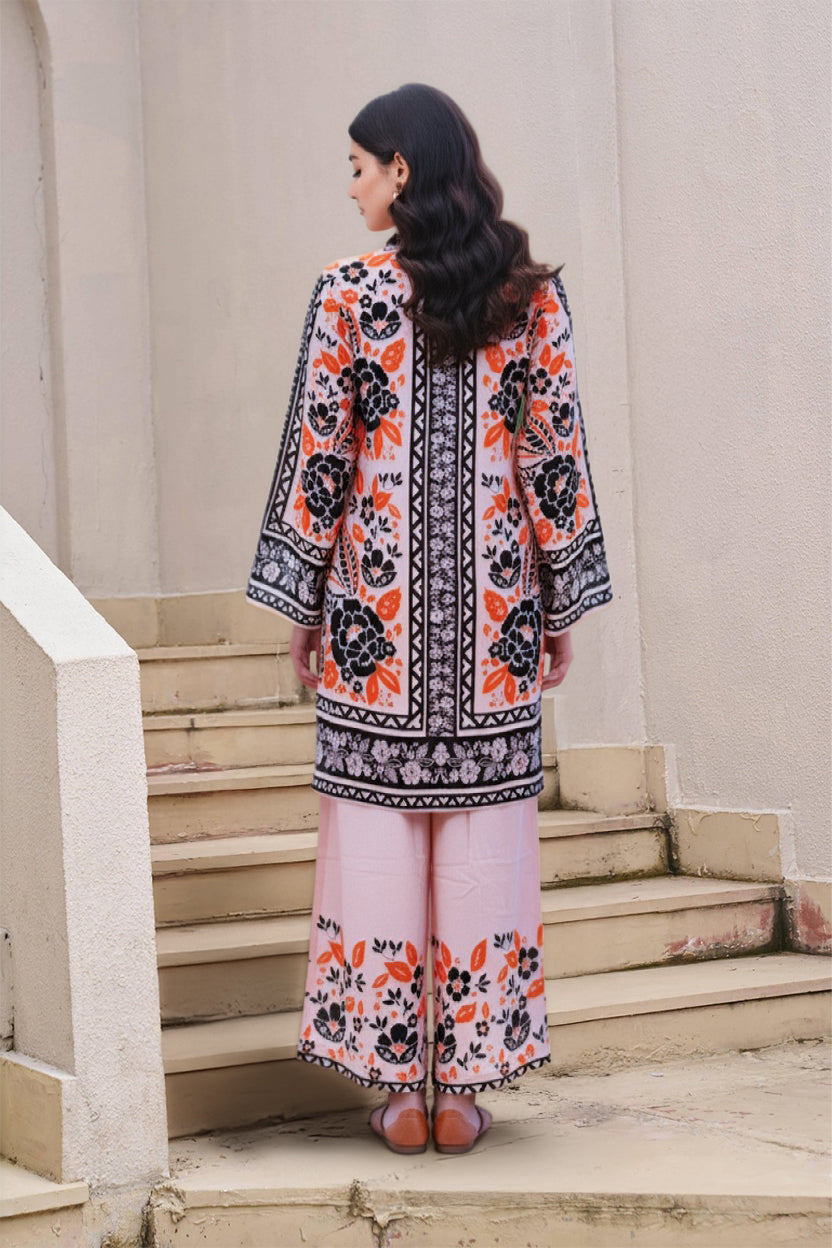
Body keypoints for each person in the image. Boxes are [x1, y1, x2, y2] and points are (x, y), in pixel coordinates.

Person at [245, 83, 613, 1155]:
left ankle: (398, 1094)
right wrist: (558, 600)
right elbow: (553, 457)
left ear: (401, 169)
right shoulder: (527, 297)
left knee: (372, 851)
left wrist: (302, 601)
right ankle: (462, 1095)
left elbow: (319, 459)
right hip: (494, 628)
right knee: (485, 854)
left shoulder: (348, 294)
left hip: (374, 629)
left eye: (359, 167)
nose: (351, 186)